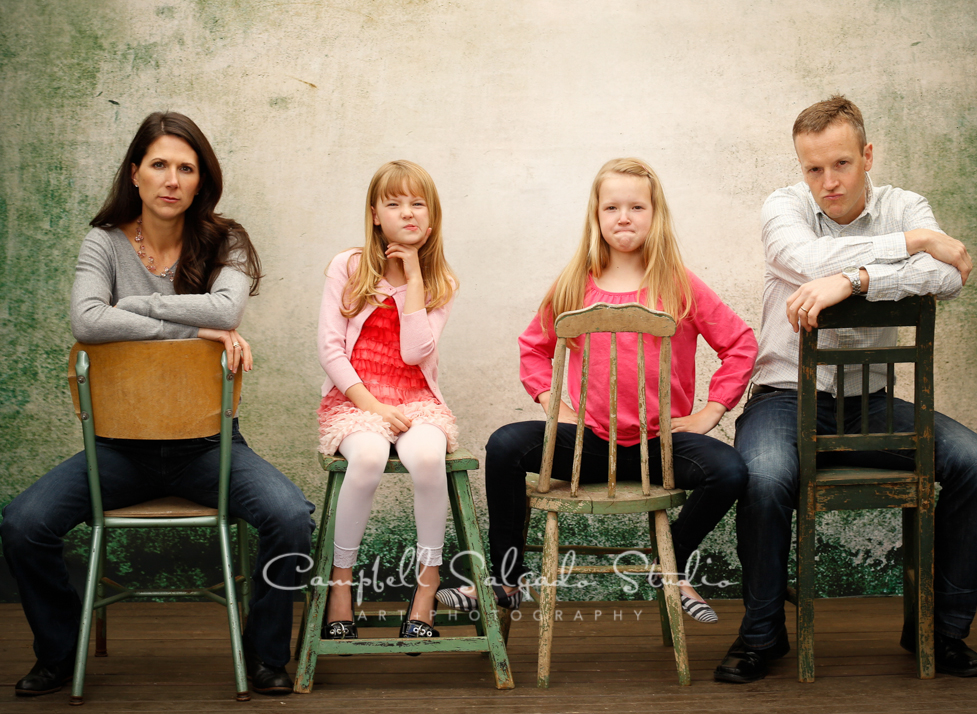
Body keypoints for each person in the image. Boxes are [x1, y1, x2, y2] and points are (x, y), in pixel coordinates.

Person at [0, 112, 315, 697]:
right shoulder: (103, 242)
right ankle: (61, 654)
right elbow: (86, 321)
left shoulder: (229, 241)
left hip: (208, 447)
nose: (172, 179)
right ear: (136, 173)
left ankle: (265, 656)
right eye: (160, 164)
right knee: (22, 523)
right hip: (118, 452)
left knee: (290, 515)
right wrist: (191, 332)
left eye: (186, 168)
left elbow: (225, 312)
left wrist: (140, 310)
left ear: (201, 181)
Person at [714, 96, 977, 683]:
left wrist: (856, 278)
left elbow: (949, 276)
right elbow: (801, 255)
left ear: (867, 156)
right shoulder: (784, 207)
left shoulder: (905, 206)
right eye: (813, 168)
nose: (828, 182)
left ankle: (943, 632)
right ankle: (762, 636)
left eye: (841, 164)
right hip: (782, 399)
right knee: (764, 478)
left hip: (870, 406)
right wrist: (912, 244)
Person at [436, 158, 757, 623]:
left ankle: (671, 565)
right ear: (597, 215)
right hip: (588, 442)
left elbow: (740, 343)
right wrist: (554, 403)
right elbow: (533, 348)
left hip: (660, 445)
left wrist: (712, 409)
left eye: (636, 207)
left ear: (656, 214)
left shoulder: (679, 284)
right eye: (612, 207)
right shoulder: (573, 285)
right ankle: (505, 579)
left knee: (729, 469)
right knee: (505, 444)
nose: (623, 217)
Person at [317, 160, 459, 645]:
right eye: (394, 203)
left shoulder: (442, 283)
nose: (407, 212)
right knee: (371, 458)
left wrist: (414, 276)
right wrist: (372, 407)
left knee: (425, 456)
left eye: (418, 203)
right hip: (356, 400)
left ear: (432, 217)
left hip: (417, 400)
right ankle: (340, 588)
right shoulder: (349, 267)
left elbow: (414, 353)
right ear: (375, 214)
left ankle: (427, 587)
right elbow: (330, 348)